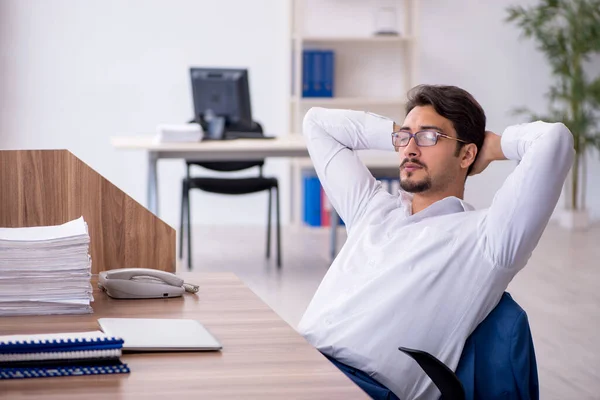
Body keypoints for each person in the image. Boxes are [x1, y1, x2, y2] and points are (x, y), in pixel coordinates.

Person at [297, 84, 574, 400]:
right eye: (405, 137)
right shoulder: (371, 208)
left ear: (468, 153)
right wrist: (399, 136)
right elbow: (316, 124)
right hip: (298, 360)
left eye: (430, 137)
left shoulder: (488, 239)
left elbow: (554, 140)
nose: (410, 150)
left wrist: (493, 146)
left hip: (358, 387)